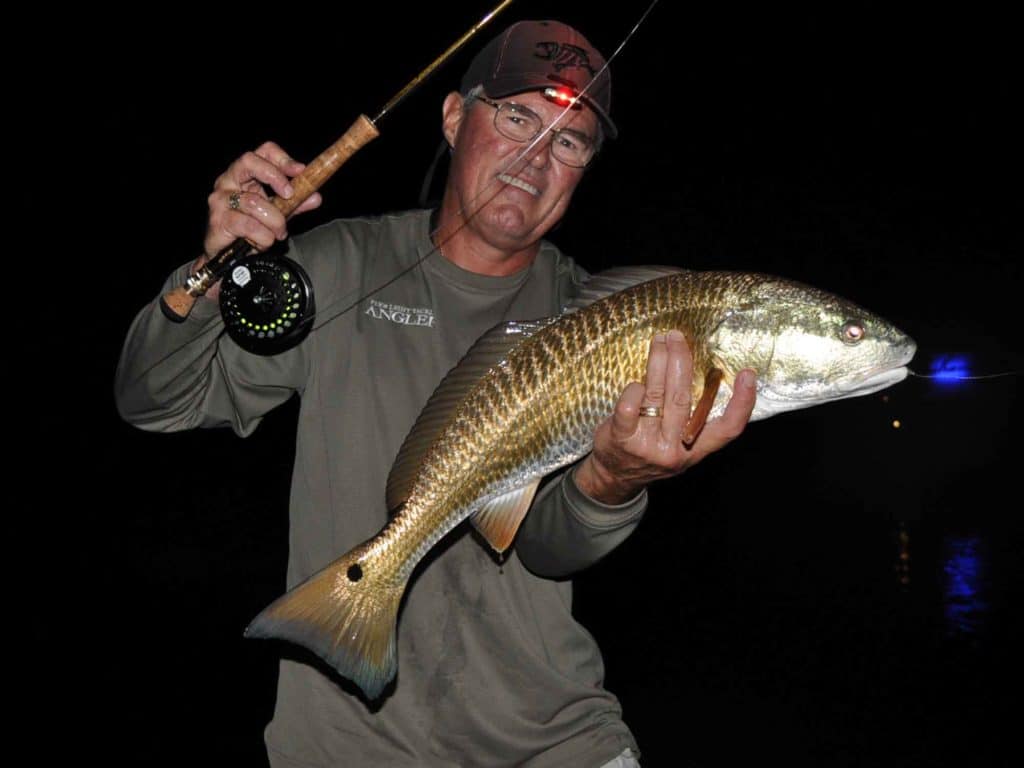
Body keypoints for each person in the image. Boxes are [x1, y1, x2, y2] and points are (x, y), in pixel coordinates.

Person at [115, 19, 756, 768]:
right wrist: (209, 269)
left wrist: (613, 483)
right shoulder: (343, 264)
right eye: (517, 116)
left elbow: (546, 549)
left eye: (570, 141)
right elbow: (157, 400)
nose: (536, 158)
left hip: (556, 744)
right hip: (346, 749)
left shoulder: (599, 323)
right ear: (455, 118)